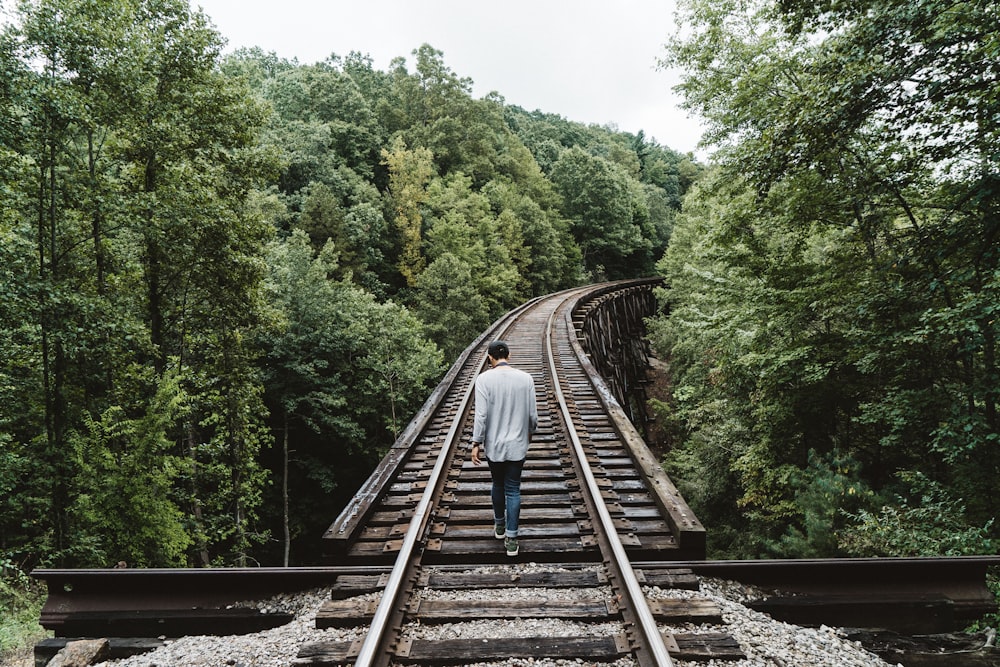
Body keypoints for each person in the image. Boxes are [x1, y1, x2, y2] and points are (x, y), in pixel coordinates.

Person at [470, 340, 538, 557]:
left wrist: (476, 443)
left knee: (497, 483)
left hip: (494, 445)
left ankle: (499, 526)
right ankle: (512, 539)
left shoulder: (483, 380)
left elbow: (481, 416)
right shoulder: (526, 379)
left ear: (490, 358)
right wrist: (529, 432)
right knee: (513, 489)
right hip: (517, 444)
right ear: (509, 355)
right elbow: (532, 416)